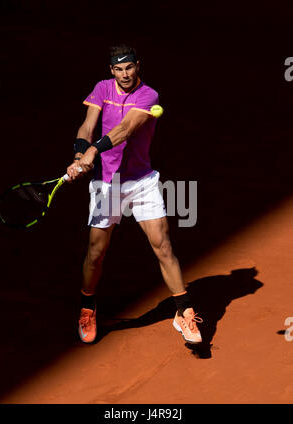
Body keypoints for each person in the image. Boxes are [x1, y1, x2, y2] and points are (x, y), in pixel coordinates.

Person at [67, 45, 203, 345]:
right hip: (106, 184)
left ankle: (183, 311)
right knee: (95, 253)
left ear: (137, 66)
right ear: (111, 71)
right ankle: (87, 308)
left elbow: (126, 129)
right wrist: (79, 154)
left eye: (129, 67)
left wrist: (93, 150)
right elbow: (88, 125)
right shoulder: (102, 89)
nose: (125, 74)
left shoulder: (148, 96)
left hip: (142, 182)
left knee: (163, 245)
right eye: (119, 69)